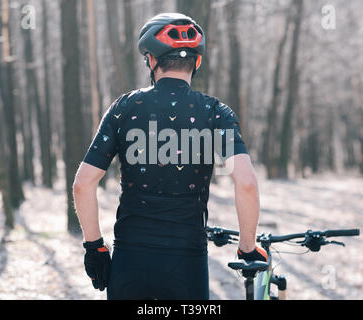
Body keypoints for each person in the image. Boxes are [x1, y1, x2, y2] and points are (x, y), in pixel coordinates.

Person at [73, 13, 267, 300]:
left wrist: (94, 248)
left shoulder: (124, 108)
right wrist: (247, 246)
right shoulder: (216, 113)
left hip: (131, 259)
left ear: (151, 60)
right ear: (197, 62)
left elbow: (83, 184)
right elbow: (247, 183)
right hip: (187, 262)